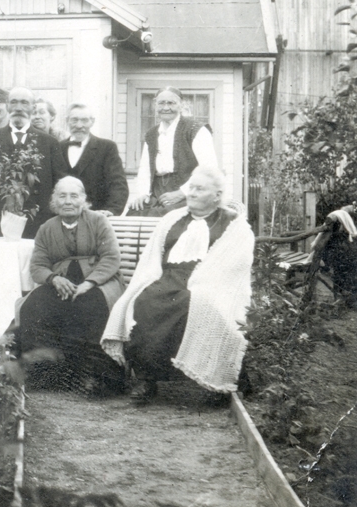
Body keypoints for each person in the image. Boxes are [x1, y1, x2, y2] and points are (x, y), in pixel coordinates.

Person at [102, 166, 254, 402]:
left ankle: (212, 382)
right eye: (190, 188)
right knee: (145, 301)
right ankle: (146, 379)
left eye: (199, 189)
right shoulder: (172, 218)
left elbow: (234, 265)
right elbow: (152, 259)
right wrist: (149, 281)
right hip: (167, 277)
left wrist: (200, 284)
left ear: (217, 195)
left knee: (194, 304)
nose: (191, 193)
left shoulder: (234, 224)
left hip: (212, 282)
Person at [18, 177, 126, 394]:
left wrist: (89, 283)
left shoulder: (98, 222)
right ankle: (47, 375)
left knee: (91, 306)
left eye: (74, 196)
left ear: (84, 199)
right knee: (35, 306)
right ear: (54, 201)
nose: (68, 201)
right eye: (62, 196)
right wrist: (53, 279)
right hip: (61, 282)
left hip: (100, 281)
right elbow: (38, 265)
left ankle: (100, 378)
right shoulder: (46, 228)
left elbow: (111, 258)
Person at [0, 86, 68, 239]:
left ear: (33, 108)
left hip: (37, 224)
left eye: (24, 103)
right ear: (7, 105)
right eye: (14, 102)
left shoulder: (50, 143)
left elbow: (59, 184)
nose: (18, 108)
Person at [127, 86, 218, 216]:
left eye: (171, 103)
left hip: (190, 193)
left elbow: (209, 169)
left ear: (181, 105)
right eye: (161, 103)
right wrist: (143, 194)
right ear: (155, 105)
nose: (165, 108)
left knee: (167, 218)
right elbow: (145, 169)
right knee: (134, 213)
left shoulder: (196, 130)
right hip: (157, 193)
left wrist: (182, 193)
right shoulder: (151, 134)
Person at [61, 103, 128, 216]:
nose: (79, 125)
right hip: (62, 215)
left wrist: (112, 211)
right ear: (67, 121)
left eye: (84, 120)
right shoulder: (58, 148)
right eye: (74, 120)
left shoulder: (107, 147)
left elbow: (118, 184)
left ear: (92, 122)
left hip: (97, 217)